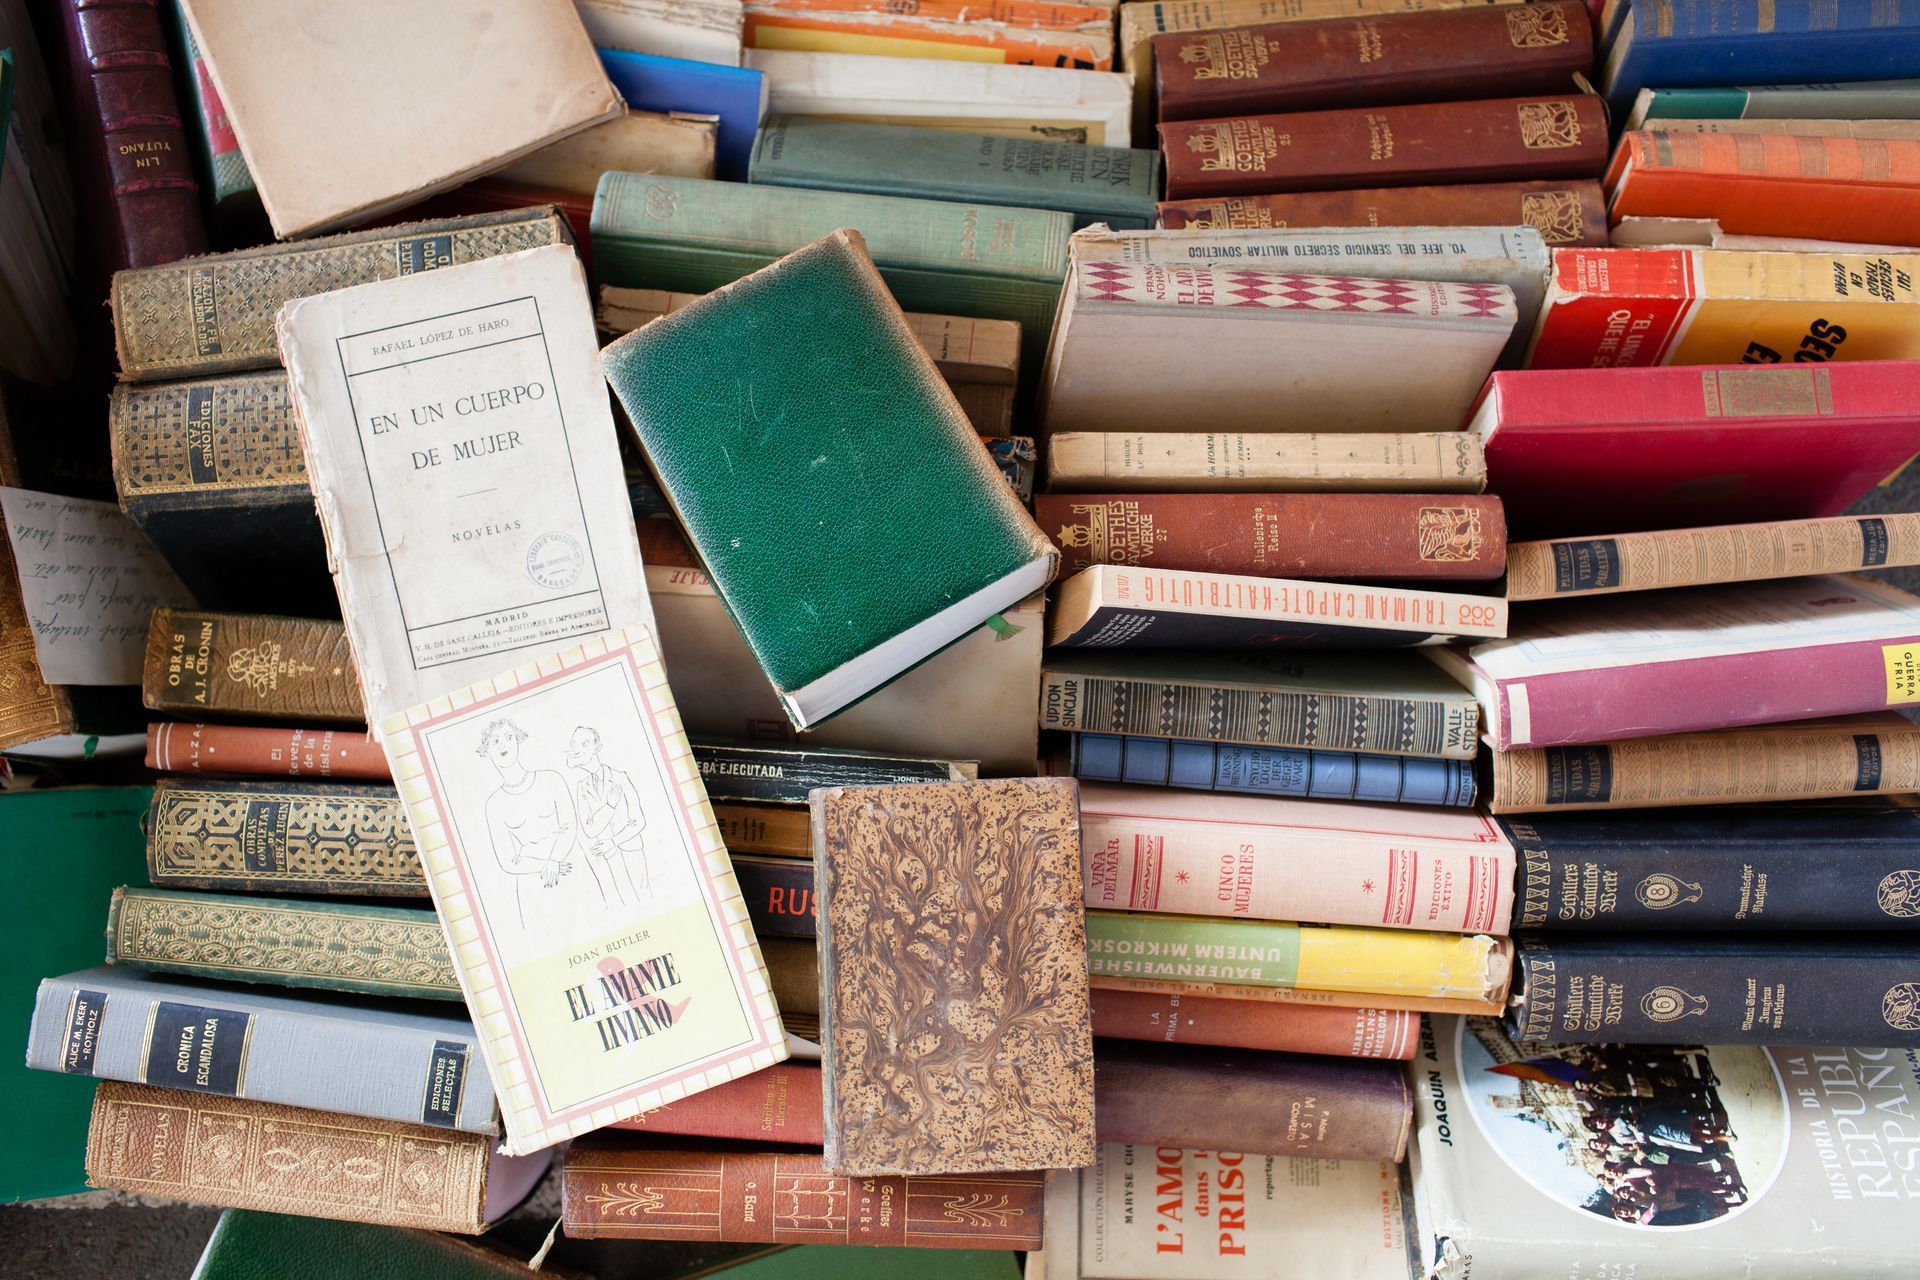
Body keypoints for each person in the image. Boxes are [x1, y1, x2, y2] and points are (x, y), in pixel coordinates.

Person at [477, 718, 579, 930]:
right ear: (486, 750)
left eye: (508, 737)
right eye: (495, 741)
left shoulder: (551, 779)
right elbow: (507, 860)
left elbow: (570, 824)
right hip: (533, 886)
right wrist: (545, 865)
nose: (503, 745)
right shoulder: (494, 805)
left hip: (571, 870)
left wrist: (555, 860)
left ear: (518, 740)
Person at [565, 725, 651, 907]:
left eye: (584, 743)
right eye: (574, 744)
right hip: (606, 858)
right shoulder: (582, 787)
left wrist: (613, 841)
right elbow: (589, 828)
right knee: (622, 903)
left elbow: (638, 821)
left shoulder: (620, 777)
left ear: (597, 747)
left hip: (631, 850)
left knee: (645, 897)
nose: (577, 749)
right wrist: (610, 805)